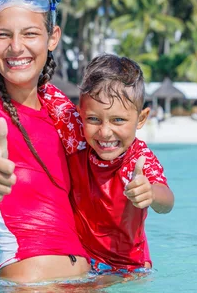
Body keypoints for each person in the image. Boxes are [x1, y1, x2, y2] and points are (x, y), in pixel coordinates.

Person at [0, 0, 90, 283]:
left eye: (30, 33)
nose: (16, 47)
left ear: (52, 37)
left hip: (85, 281)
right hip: (29, 285)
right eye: (3, 35)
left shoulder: (62, 116)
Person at [39, 54, 175, 272]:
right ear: (80, 113)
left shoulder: (138, 158)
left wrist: (150, 193)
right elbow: (38, 86)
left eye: (118, 120)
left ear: (141, 119)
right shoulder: (76, 131)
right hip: (80, 258)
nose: (105, 132)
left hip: (126, 268)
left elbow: (167, 200)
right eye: (93, 119)